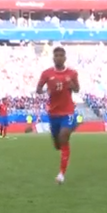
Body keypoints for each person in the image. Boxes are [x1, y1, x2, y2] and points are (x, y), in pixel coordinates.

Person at [36, 47, 79, 184]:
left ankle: (61, 174)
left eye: (61, 55)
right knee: (57, 145)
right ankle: (72, 127)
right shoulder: (46, 74)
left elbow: (77, 89)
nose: (59, 57)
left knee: (63, 137)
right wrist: (46, 91)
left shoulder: (72, 73)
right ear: (53, 58)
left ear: (65, 58)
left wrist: (71, 84)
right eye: (57, 55)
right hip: (53, 113)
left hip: (68, 111)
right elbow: (38, 90)